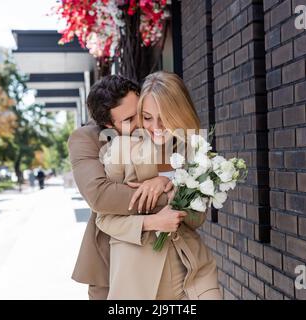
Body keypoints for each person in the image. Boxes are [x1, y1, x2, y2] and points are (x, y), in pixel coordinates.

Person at [95, 71, 221, 300]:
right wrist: (151, 222)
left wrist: (171, 181)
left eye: (164, 116)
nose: (156, 126)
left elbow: (197, 220)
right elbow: (103, 219)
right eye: (148, 117)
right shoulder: (122, 151)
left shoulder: (194, 151)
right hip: (138, 277)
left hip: (191, 269)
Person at [68, 75, 178, 300]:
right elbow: (101, 196)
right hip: (110, 259)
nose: (141, 122)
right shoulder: (85, 139)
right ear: (109, 125)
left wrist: (166, 181)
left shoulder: (158, 124)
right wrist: (168, 197)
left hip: (168, 258)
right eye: (129, 119)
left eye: (140, 112)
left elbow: (186, 169)